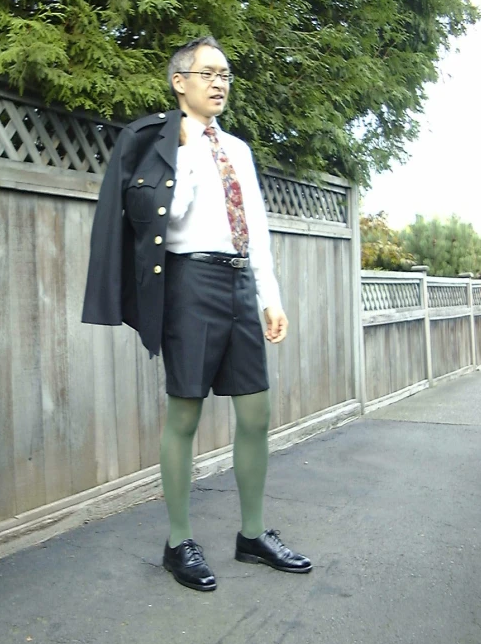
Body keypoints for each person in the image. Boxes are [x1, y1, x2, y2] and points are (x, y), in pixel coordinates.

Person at [82, 36, 312, 592]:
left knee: (255, 413)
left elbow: (255, 228)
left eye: (226, 74)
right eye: (207, 73)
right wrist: (186, 150)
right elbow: (162, 220)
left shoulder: (240, 149)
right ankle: (177, 541)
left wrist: (269, 297)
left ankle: (252, 536)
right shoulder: (155, 143)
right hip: (188, 283)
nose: (219, 83)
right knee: (184, 415)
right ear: (178, 81)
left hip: (237, 283)